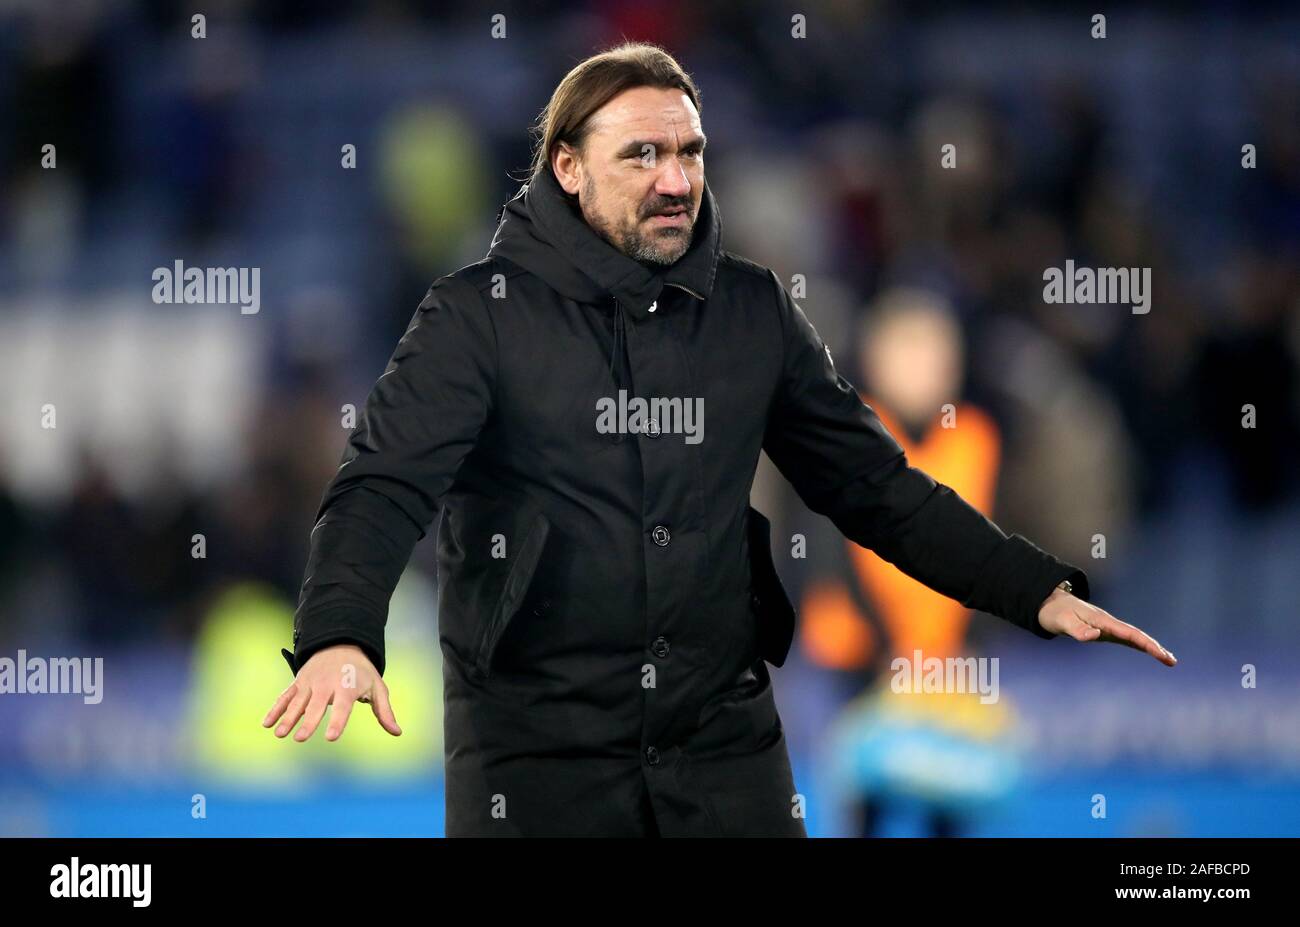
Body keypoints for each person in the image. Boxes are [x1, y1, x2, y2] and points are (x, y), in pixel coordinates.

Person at [262, 42, 1176, 837]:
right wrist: (342, 633)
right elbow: (381, 486)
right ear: (568, 166)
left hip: (726, 759)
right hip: (537, 765)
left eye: (690, 152)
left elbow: (877, 488)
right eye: (644, 155)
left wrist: (1034, 588)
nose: (675, 179)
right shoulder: (473, 318)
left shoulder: (754, 311)